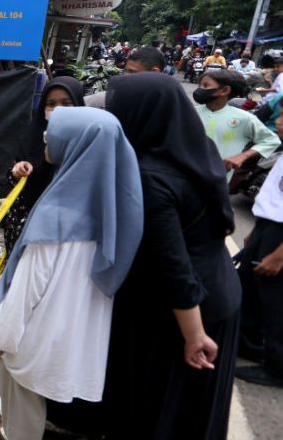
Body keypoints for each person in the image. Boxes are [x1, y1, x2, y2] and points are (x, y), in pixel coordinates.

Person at [0, 108, 144, 440]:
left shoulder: (56, 214)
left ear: (76, 144)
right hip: (75, 335)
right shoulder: (115, 208)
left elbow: (26, 291)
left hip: (31, 338)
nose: (45, 136)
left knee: (22, 419)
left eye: (53, 133)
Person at [102, 73, 241, 440]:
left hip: (181, 315)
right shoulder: (199, 149)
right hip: (221, 291)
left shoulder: (150, 176)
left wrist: (193, 334)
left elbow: (172, 264)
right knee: (193, 412)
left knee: (158, 412)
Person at [3, 76, 85, 254]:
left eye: (66, 103)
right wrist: (18, 171)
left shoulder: (88, 143)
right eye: (51, 104)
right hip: (28, 228)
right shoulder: (33, 134)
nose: (58, 110)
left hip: (66, 235)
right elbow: (14, 181)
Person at [235, 112, 283, 389]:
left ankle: (278, 367)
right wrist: (256, 231)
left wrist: (279, 254)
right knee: (251, 288)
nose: (277, 122)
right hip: (268, 227)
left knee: (276, 300)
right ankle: (250, 345)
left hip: (279, 237)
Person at [194, 70, 280, 181]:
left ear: (225, 90)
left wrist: (242, 156)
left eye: (205, 85)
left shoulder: (245, 118)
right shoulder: (189, 111)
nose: (200, 89)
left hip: (215, 180)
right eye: (200, 85)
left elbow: (271, 140)